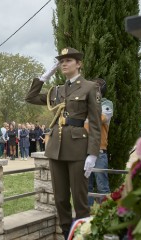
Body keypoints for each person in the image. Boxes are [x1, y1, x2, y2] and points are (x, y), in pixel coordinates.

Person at [25, 47, 101, 239]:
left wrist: (92, 153)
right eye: (61, 61)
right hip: (56, 148)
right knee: (60, 199)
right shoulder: (57, 90)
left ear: (79, 64)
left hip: (77, 148)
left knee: (80, 199)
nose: (64, 64)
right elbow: (31, 97)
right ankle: (68, 234)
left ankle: (83, 235)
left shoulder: (90, 87)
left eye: (68, 60)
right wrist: (43, 77)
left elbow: (95, 122)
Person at [86, 78, 113, 206]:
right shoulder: (86, 105)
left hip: (99, 151)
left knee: (103, 187)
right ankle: (87, 215)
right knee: (86, 186)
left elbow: (100, 119)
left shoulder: (107, 104)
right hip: (84, 150)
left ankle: (105, 216)